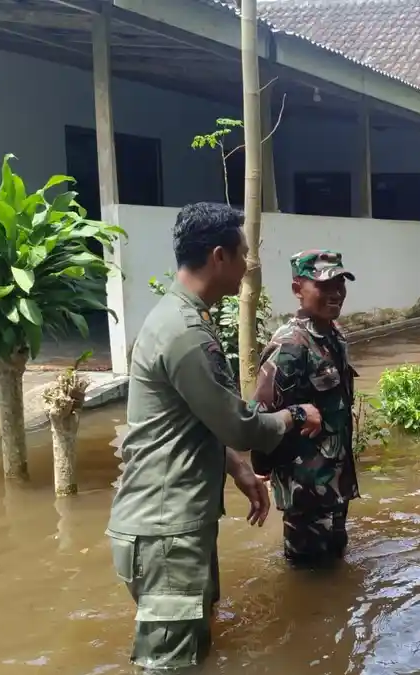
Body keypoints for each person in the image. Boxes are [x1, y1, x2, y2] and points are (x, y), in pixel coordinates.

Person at [106, 202, 323, 671]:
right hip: (166, 533)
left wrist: (237, 467)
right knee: (170, 665)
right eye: (243, 254)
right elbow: (240, 426)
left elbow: (191, 421)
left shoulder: (180, 318)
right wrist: (294, 415)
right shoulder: (186, 333)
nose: (248, 265)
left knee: (196, 652)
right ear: (219, 257)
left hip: (172, 527)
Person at [252, 250, 360, 567]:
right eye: (324, 286)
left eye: (340, 284)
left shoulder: (334, 335)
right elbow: (259, 417)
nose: (336, 293)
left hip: (335, 483)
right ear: (297, 289)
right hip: (306, 491)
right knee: (308, 574)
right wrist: (262, 471)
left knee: (335, 567)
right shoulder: (290, 345)